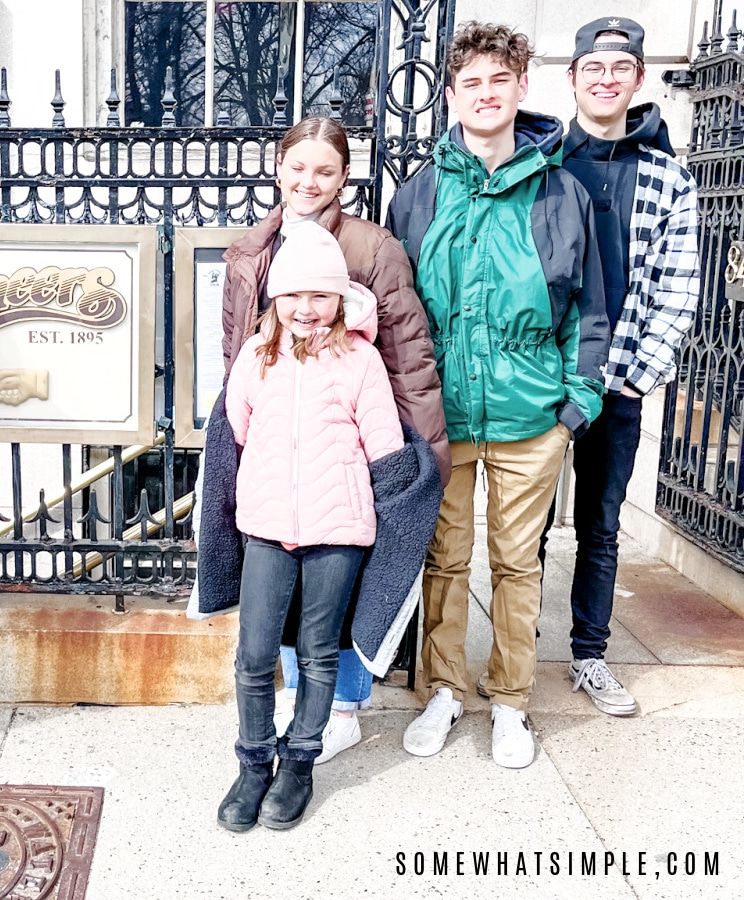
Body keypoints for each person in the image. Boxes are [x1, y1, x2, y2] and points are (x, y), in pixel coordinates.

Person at [386, 22, 609, 769]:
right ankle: (444, 689)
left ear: (521, 89)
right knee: (442, 560)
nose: (486, 94)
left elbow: (591, 308)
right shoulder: (419, 194)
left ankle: (511, 700)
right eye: (471, 82)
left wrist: (576, 404)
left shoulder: (561, 191)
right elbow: (397, 308)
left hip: (530, 414)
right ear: (452, 96)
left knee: (518, 564)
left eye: (499, 80)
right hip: (443, 413)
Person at [219, 115, 447, 764]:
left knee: (335, 595)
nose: (308, 181)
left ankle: (342, 707)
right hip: (276, 430)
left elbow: (407, 356)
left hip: (349, 434)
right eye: (297, 167)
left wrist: (420, 455)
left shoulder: (373, 248)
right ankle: (296, 706)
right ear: (278, 169)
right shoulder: (252, 247)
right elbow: (237, 343)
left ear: (344, 176)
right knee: (279, 595)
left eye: (324, 170)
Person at [217, 223, 404, 832]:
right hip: (268, 527)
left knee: (320, 652)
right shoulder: (255, 357)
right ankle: (253, 762)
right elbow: (235, 436)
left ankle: (300, 760)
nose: (306, 308)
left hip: (337, 530)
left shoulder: (361, 359)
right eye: (294, 295)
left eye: (319, 296)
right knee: (254, 652)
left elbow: (385, 448)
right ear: (276, 298)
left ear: (339, 299)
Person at [550, 17, 700, 715]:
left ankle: (589, 652)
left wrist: (642, 374)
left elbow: (679, 287)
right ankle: (502, 656)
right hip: (543, 379)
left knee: (599, 525)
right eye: (592, 67)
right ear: (573, 77)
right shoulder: (543, 163)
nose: (605, 79)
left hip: (617, 383)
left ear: (638, 79)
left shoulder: (668, 177)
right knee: (519, 531)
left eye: (619, 68)